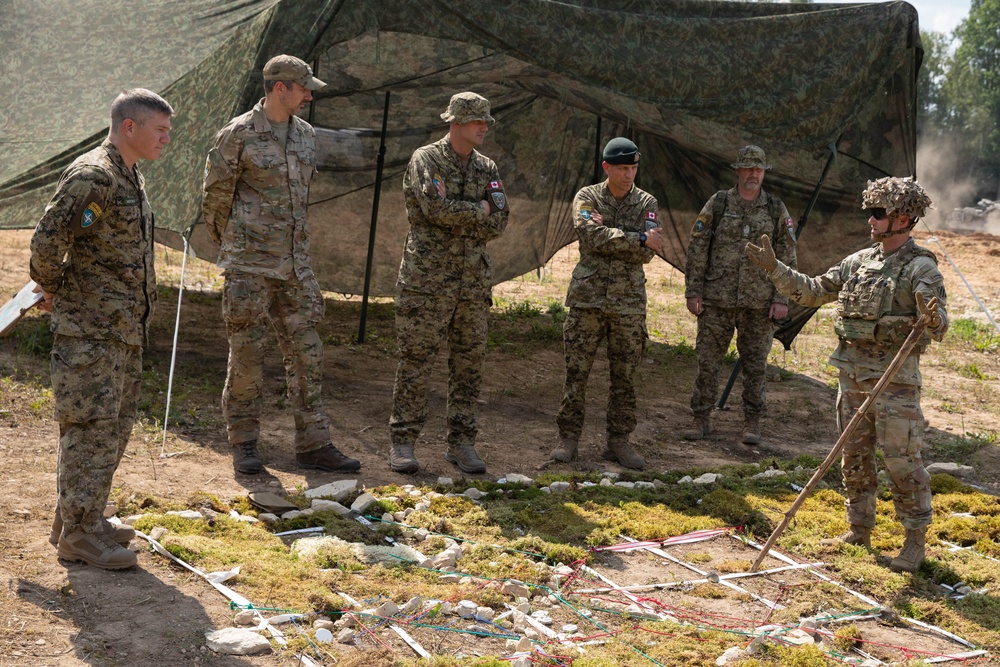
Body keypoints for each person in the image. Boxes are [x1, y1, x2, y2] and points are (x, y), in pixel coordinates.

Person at [745, 176, 947, 573]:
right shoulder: (859, 262)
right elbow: (811, 291)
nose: (870, 220)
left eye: (878, 213)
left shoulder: (921, 268)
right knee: (853, 457)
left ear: (904, 218)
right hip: (852, 378)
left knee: (902, 462)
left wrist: (931, 315)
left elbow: (939, 327)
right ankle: (859, 528)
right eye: (869, 212)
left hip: (894, 383)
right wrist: (774, 269)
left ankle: (914, 541)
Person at [30, 89, 174, 569]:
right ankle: (79, 534)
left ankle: (80, 515)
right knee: (90, 430)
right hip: (90, 332)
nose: (166, 140)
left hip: (121, 330)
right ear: (129, 127)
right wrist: (50, 290)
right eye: (160, 130)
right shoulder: (95, 175)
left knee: (112, 430)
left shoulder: (129, 175)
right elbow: (48, 240)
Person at [202, 54, 360, 476]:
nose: (309, 94)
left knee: (308, 352)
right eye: (304, 87)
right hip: (250, 267)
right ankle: (244, 441)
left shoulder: (306, 135)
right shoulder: (237, 134)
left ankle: (313, 443)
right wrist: (239, 248)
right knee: (248, 354)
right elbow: (216, 200)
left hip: (295, 267)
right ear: (280, 87)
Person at [388, 92, 510, 474]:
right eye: (478, 121)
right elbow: (434, 210)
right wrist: (479, 209)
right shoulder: (427, 159)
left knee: (469, 365)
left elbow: (501, 219)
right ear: (456, 122)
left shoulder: (487, 167)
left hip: (472, 284)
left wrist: (475, 213)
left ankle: (461, 443)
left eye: (487, 121)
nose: (484, 127)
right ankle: (403, 442)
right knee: (416, 362)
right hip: (426, 282)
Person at [549, 137, 664, 470]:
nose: (629, 175)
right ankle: (568, 439)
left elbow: (648, 252)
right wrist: (637, 236)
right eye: (623, 168)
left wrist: (620, 237)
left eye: (633, 168)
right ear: (607, 168)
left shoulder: (647, 202)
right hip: (587, 300)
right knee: (576, 373)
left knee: (624, 376)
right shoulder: (587, 197)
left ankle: (619, 442)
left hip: (628, 303)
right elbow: (587, 235)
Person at [683, 145, 797, 445]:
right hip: (716, 299)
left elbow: (787, 255)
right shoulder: (719, 203)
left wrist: (780, 298)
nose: (753, 174)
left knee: (756, 365)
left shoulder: (774, 209)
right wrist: (693, 291)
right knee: (707, 362)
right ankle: (701, 417)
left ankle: (752, 421)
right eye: (747, 168)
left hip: (759, 304)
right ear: (737, 171)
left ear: (764, 172)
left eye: (758, 169)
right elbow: (698, 247)